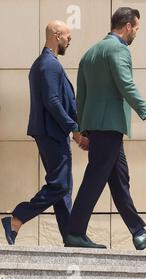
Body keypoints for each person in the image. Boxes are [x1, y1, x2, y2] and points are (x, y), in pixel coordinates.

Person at [64, 7, 146, 250]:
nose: (136, 34)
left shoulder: (90, 53)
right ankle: (75, 232)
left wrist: (81, 130)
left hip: (99, 128)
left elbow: (82, 96)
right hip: (109, 127)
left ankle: (138, 232)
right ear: (128, 26)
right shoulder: (118, 49)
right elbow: (126, 85)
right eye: (137, 29)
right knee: (94, 178)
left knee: (119, 179)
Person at [1, 21, 88, 245]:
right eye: (68, 37)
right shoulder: (48, 64)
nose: (69, 41)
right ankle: (18, 217)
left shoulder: (45, 63)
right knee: (60, 185)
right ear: (57, 36)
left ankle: (70, 235)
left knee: (62, 186)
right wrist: (74, 129)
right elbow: (52, 101)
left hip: (51, 133)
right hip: (52, 134)